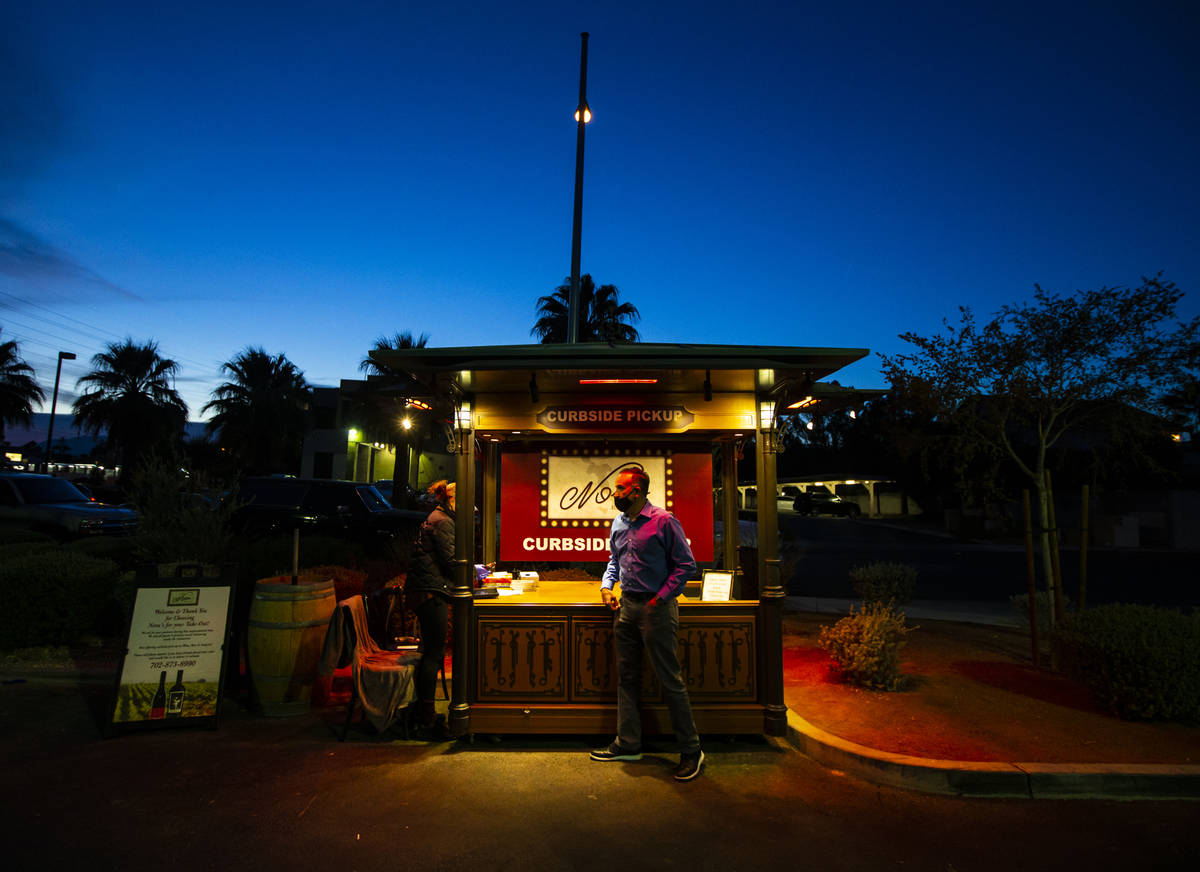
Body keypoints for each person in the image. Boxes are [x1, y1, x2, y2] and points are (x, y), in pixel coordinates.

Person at [590, 467, 704, 781]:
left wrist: (660, 599)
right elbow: (614, 560)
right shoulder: (618, 523)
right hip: (626, 606)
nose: (614, 494)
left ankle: (691, 750)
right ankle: (628, 743)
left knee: (670, 680)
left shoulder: (664, 521)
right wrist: (606, 587)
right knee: (627, 677)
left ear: (637, 490)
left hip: (657, 608)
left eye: (620, 488)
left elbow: (686, 565)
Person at [404, 479, 457, 738]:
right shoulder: (444, 521)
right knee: (434, 653)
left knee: (431, 652)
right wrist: (472, 573)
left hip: (424, 588)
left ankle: (423, 711)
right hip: (428, 591)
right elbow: (450, 560)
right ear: (452, 500)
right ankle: (426, 716)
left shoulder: (438, 517)